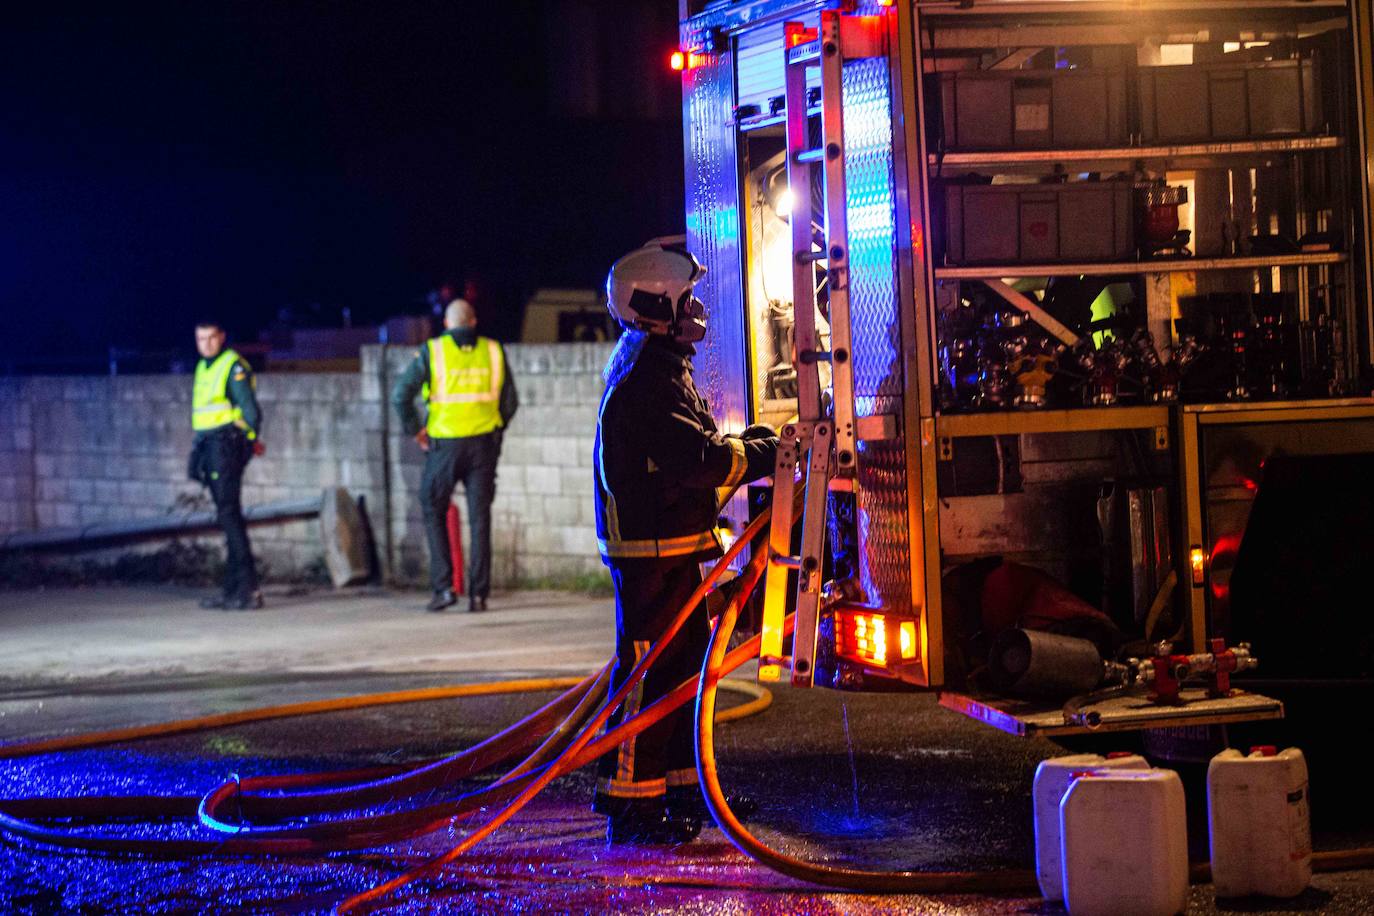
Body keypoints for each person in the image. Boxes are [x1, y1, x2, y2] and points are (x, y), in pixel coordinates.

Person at [592, 241, 779, 845]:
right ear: (656, 304)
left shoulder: (657, 366)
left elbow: (696, 444)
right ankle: (631, 806)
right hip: (652, 554)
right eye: (687, 299)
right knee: (648, 676)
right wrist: (762, 453)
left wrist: (751, 442)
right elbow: (696, 459)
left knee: (682, 672)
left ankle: (680, 788)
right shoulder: (649, 376)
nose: (696, 310)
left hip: (668, 548)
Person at [391, 298, 518, 612]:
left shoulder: (432, 351)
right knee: (480, 518)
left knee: (433, 507)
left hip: (444, 446)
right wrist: (495, 431)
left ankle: (444, 588)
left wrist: (416, 430)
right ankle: (478, 595)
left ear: (447, 324)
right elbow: (510, 402)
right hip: (483, 445)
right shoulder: (493, 350)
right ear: (473, 322)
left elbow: (400, 395)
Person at [187, 320, 264, 610]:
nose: (205, 344)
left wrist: (247, 443)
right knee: (226, 516)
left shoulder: (232, 366)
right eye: (200, 339)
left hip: (225, 446)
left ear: (222, 337)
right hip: (209, 445)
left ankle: (247, 589)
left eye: (210, 338)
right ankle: (232, 589)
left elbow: (251, 411)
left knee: (230, 516)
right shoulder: (203, 367)